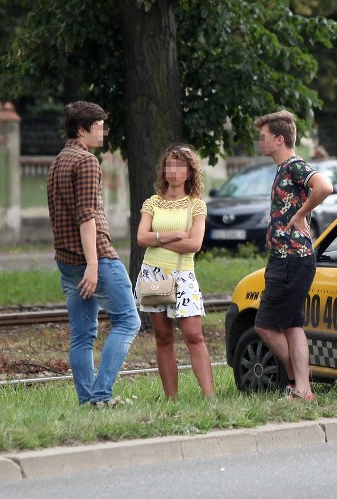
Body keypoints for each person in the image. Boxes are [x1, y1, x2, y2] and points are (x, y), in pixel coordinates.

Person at [47, 101, 140, 407]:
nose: (104, 131)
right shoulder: (86, 162)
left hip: (66, 259)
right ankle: (101, 395)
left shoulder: (58, 161)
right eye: (99, 126)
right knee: (128, 320)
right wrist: (93, 265)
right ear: (82, 129)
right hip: (94, 257)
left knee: (82, 335)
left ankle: (88, 401)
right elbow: (86, 217)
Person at [253, 110, 333, 401]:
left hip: (291, 258)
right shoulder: (283, 169)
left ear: (278, 139)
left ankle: (298, 382)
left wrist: (301, 214)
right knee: (292, 325)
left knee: (265, 324)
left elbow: (324, 187)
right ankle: (302, 388)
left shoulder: (294, 166)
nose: (258, 142)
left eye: (262, 137)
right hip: (290, 257)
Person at [135, 145, 214, 399]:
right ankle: (172, 399)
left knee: (193, 335)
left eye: (180, 166)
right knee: (163, 337)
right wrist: (173, 235)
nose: (174, 171)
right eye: (170, 165)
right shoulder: (152, 203)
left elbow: (194, 244)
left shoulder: (196, 205)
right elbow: (140, 238)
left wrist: (157, 238)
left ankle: (209, 396)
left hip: (183, 275)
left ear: (190, 172)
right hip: (154, 275)